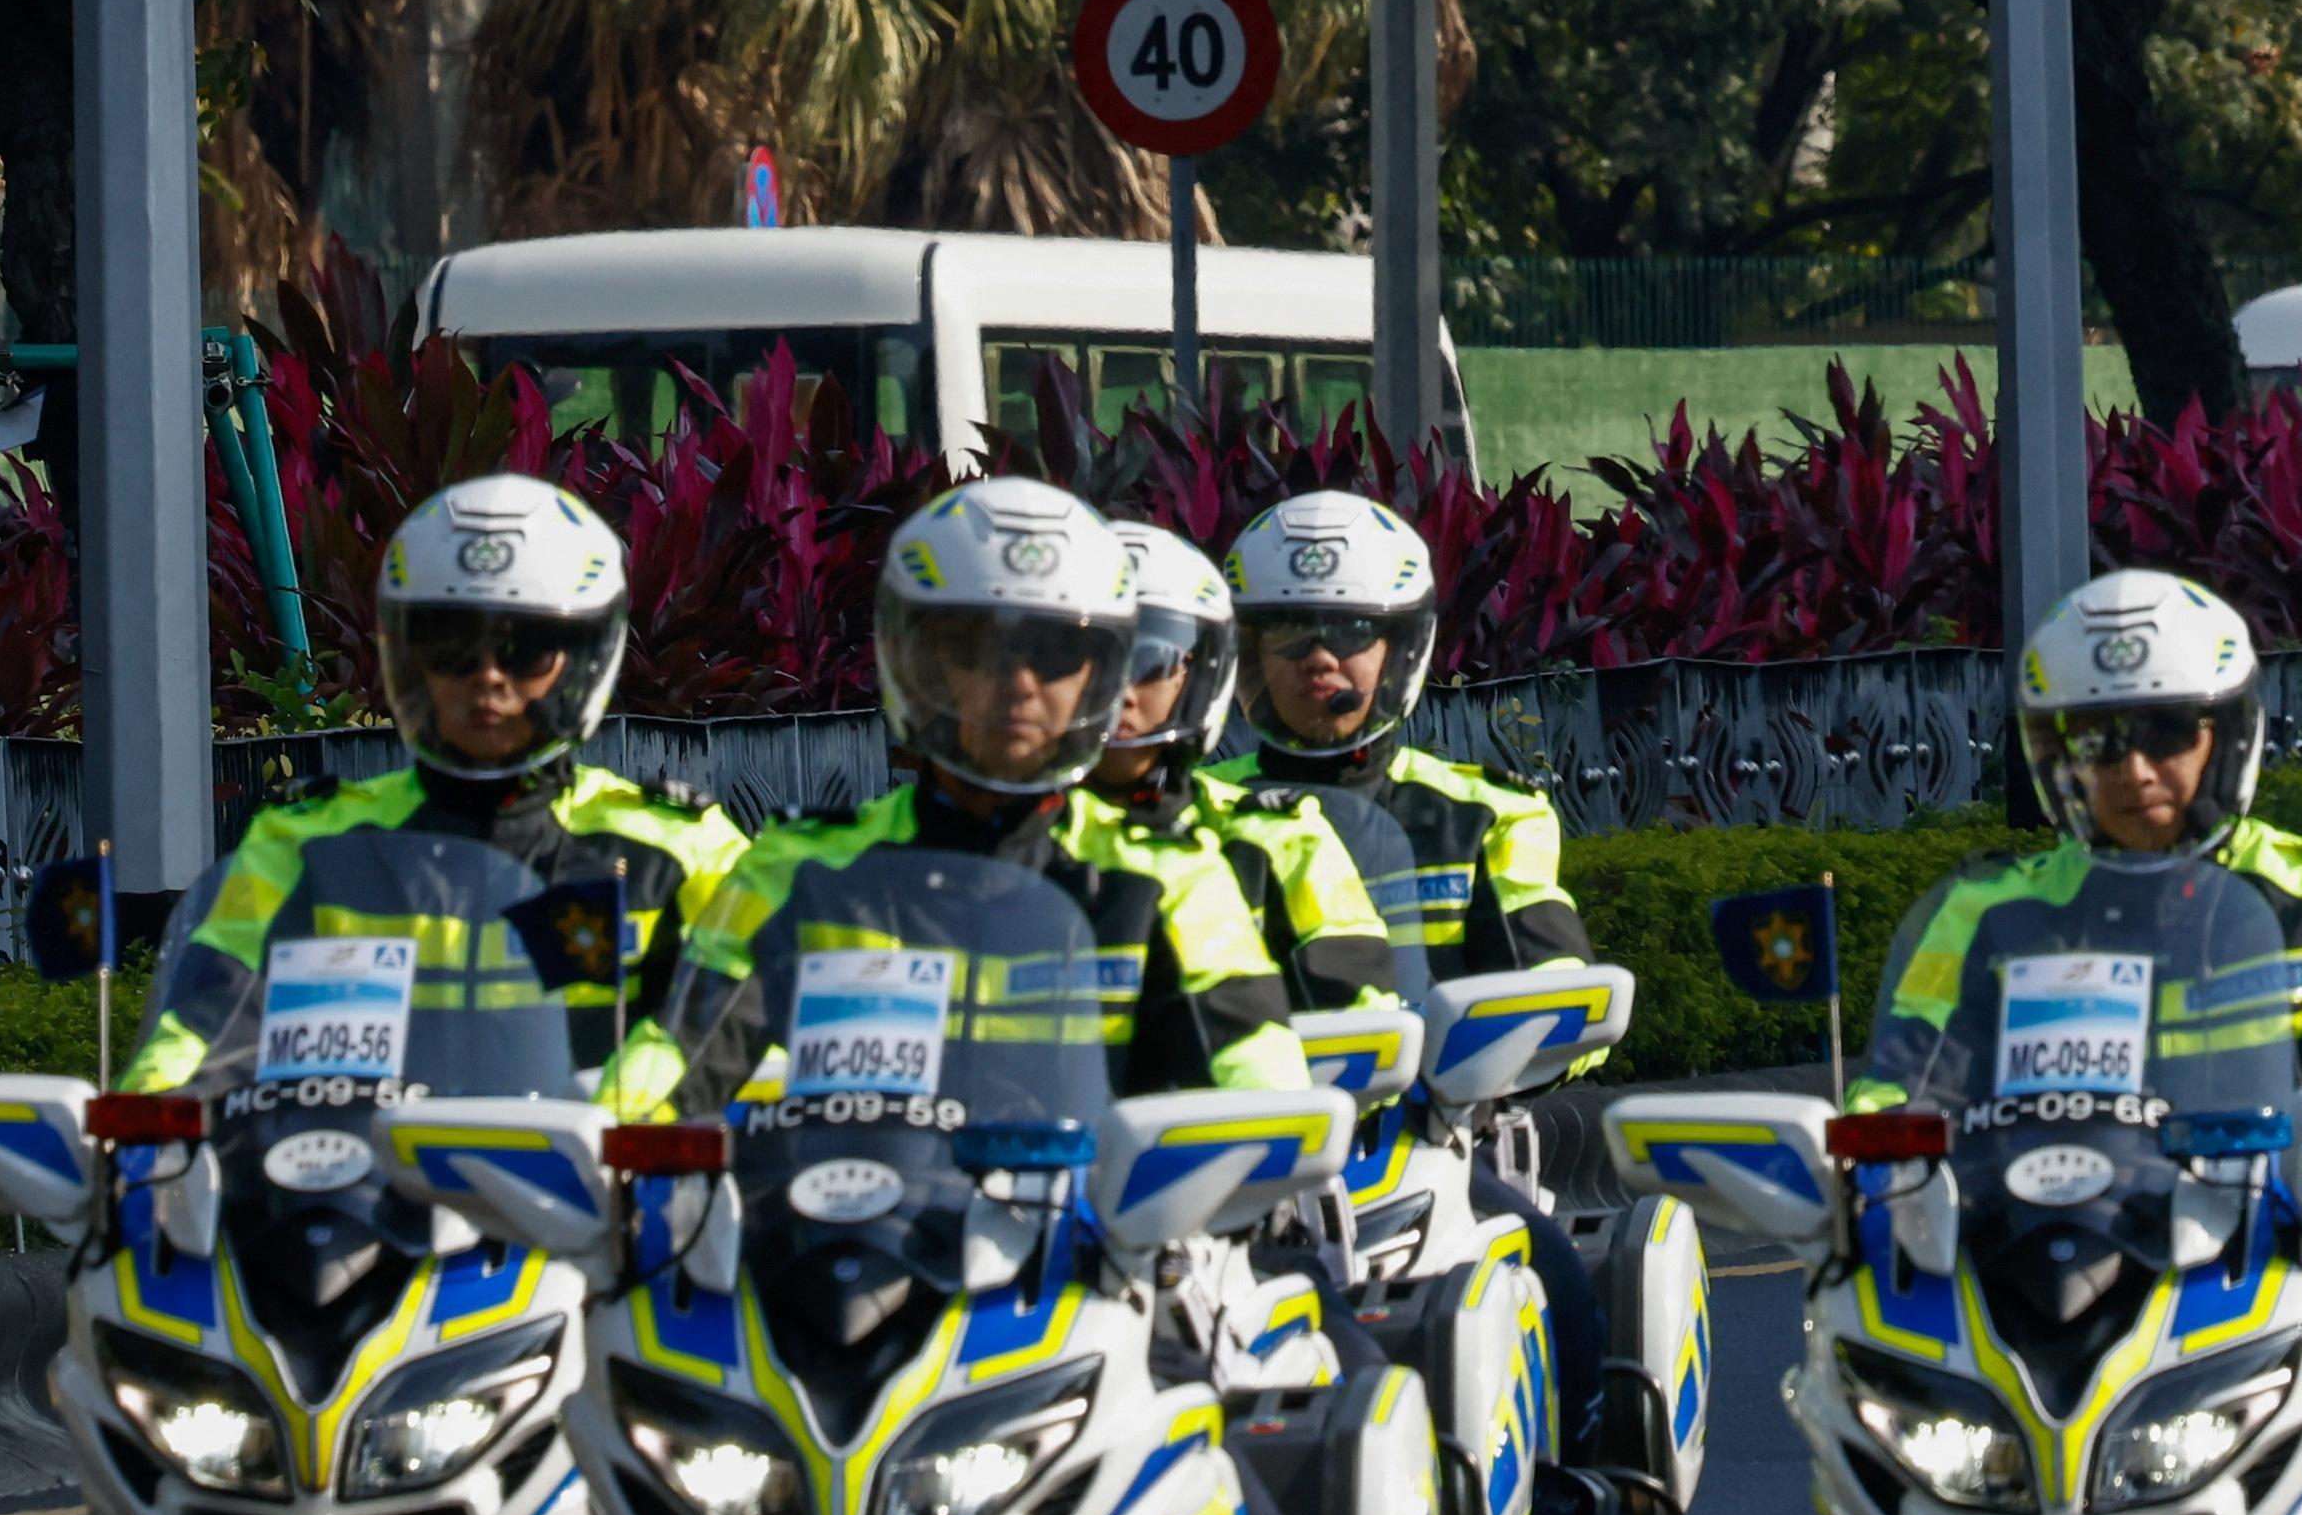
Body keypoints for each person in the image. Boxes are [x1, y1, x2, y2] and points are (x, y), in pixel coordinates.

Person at [623, 479, 1305, 1117]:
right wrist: (608, 1147)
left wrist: (1275, 1145)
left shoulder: (1167, 873)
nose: (1021, 682)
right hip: (854, 1199)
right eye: (983, 649)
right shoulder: (800, 867)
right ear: (919, 661)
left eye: (1056, 653)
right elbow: (675, 1053)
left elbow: (1258, 1068)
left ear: (1102, 673)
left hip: (1098, 1205)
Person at [123, 475, 748, 1120]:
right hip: (352, 1172)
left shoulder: (676, 847)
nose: (488, 677)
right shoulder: (307, 844)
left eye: (525, 650)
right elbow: (205, 1019)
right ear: (408, 656)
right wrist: (146, 1122)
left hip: (599, 1173)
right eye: (452, 648)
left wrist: (622, 1117)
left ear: (583, 657)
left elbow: (738, 1009)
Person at [1853, 569, 2302, 1105]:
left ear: (2227, 737)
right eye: (2098, 742)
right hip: (2052, 1194)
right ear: (2057, 756)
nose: (2135, 771)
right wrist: (1867, 1151)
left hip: (2271, 1200)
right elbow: (1901, 1086)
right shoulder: (1985, 913)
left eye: (2166, 732)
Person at [1220, 492, 1585, 983]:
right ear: (1252, 652)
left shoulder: (1485, 814)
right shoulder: (1200, 815)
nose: (1319, 658)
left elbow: (1549, 977)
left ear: (1399, 651)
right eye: (1288, 630)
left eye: (1352, 629)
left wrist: (1561, 994)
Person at [1100, 525, 1398, 1034]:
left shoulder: (1278, 837)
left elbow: (1362, 1026)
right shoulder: (983, 840)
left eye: (1150, 661)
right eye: (1091, 662)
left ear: (1198, 676)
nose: (1119, 692)